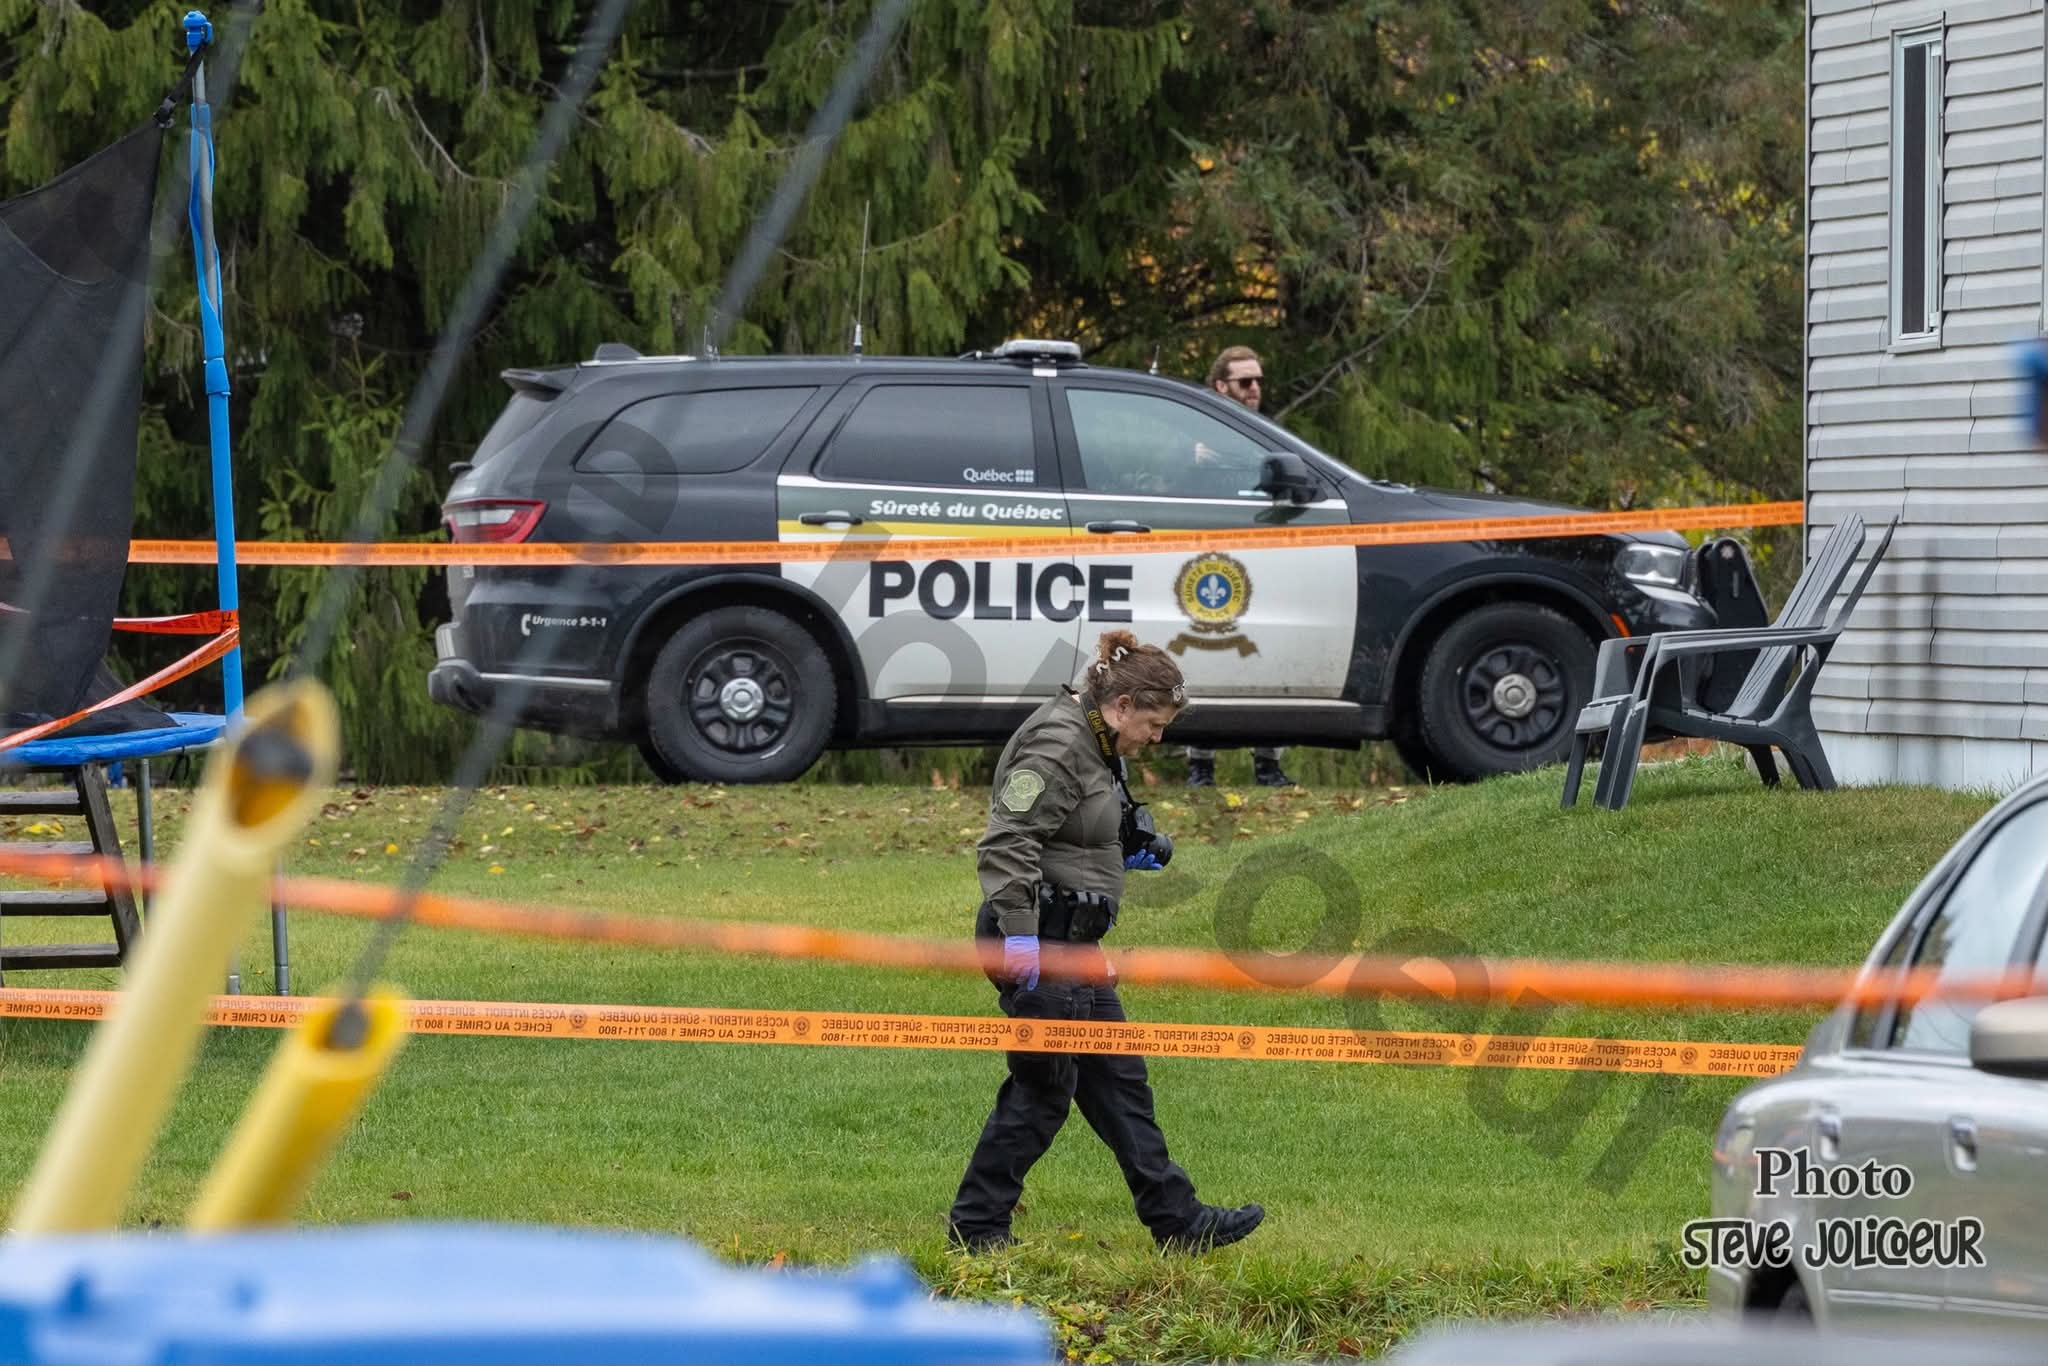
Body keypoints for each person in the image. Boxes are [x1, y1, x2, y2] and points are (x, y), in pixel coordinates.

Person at [945, 629, 1265, 1255]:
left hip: (1076, 944)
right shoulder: (1058, 744)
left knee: (1119, 1082)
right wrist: (1021, 942)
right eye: (1153, 724)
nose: (1157, 738)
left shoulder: (1095, 740)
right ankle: (977, 1228)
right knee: (1043, 1089)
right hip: (1039, 940)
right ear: (1121, 706)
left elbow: (1077, 827)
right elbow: (1007, 843)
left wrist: (1130, 845)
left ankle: (1178, 1221)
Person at [1188, 345, 1296, 789]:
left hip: (1265, 558)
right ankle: (1200, 766)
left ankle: (1268, 764)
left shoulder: (1271, 437)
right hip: (1210, 562)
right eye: (1245, 381)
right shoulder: (1198, 440)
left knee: (1270, 655)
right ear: (1221, 386)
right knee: (1204, 656)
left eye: (1259, 381)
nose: (1255, 389)